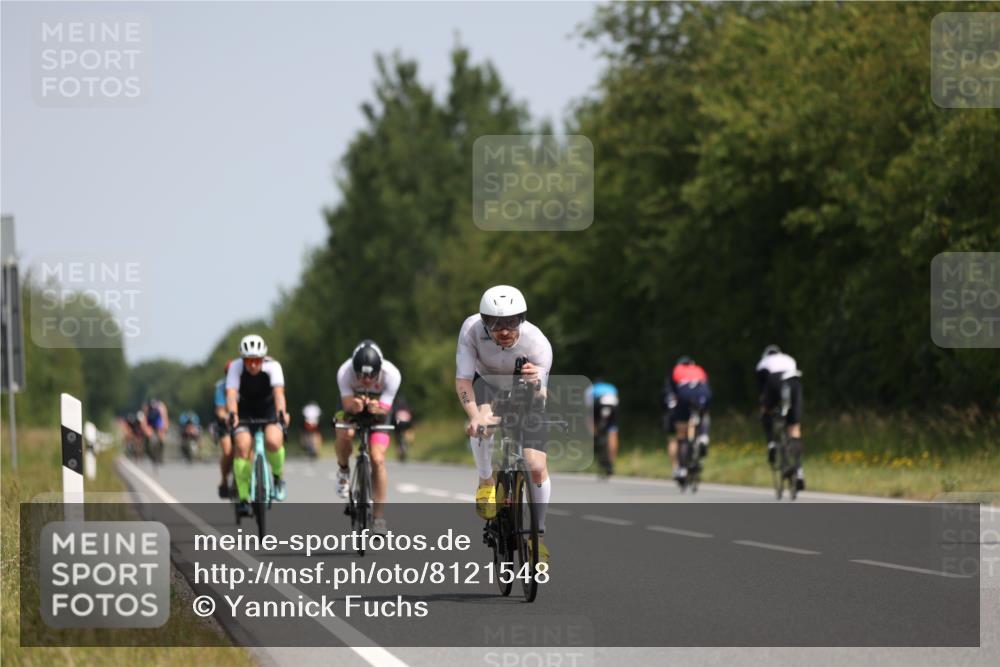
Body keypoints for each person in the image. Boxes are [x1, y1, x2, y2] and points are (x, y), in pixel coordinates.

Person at [455, 285, 554, 562]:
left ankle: (539, 536)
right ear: (484, 320)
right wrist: (475, 416)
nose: (505, 330)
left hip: (525, 391)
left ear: (521, 319)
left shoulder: (537, 343)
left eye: (511, 322)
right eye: (496, 323)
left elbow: (542, 395)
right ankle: (486, 480)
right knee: (482, 424)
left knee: (536, 467)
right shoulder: (471, 330)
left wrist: (536, 382)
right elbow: (464, 380)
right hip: (486, 384)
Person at [334, 340, 402, 535]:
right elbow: (346, 405)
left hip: (378, 412)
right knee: (345, 433)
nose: (365, 381)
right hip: (351, 407)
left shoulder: (392, 374)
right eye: (360, 376)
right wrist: (354, 406)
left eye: (370, 376)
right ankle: (343, 469)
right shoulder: (345, 371)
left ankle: (379, 518)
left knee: (378, 459)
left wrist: (375, 407)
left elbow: (384, 411)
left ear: (379, 371)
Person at [226, 334, 289, 515]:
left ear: (263, 358)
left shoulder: (273, 366)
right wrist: (233, 414)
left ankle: (278, 478)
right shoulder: (235, 367)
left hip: (268, 409)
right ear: (243, 359)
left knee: (273, 441)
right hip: (245, 411)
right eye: (249, 361)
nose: (253, 365)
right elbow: (231, 395)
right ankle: (244, 497)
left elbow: (278, 394)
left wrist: (281, 414)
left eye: (257, 360)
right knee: (243, 445)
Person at [756, 345, 804, 491]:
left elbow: (762, 389)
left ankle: (771, 443)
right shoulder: (789, 359)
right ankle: (800, 471)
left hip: (774, 381)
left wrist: (766, 406)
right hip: (794, 380)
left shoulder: (763, 363)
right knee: (794, 428)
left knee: (765, 411)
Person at [663, 356, 712, 482]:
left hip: (684, 394)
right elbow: (706, 384)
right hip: (703, 392)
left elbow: (671, 392)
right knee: (704, 414)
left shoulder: (676, 370)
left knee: (681, 434)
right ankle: (703, 436)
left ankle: (683, 468)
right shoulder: (698, 369)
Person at [585, 380, 619, 477]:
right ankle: (612, 463)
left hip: (599, 403)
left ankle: (594, 436)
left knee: (589, 418)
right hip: (613, 404)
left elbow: (588, 407)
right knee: (612, 431)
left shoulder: (591, 389)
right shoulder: (611, 386)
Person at [214, 361, 235, 498]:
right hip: (225, 423)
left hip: (243, 421)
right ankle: (224, 480)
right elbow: (220, 410)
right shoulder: (221, 386)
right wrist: (227, 417)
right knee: (228, 451)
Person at [390, 394, 414, 461]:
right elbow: (411, 415)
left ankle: (399, 447)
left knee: (396, 435)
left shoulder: (396, 406)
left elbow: (393, 416)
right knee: (409, 431)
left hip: (398, 423)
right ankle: (408, 443)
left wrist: (393, 424)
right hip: (407, 423)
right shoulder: (408, 406)